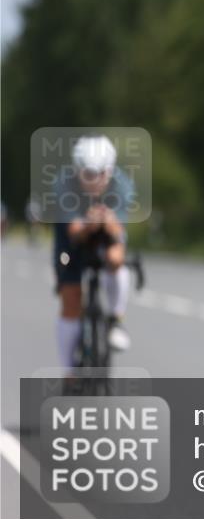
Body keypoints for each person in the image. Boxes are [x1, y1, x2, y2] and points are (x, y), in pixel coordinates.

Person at [53, 135, 135, 370]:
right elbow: (74, 231)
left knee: (116, 258)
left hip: (105, 234)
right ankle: (68, 371)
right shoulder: (63, 184)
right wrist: (89, 223)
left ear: (110, 171)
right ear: (77, 170)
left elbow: (119, 230)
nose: (96, 180)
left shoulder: (121, 184)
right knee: (71, 297)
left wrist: (107, 222)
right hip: (71, 241)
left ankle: (116, 320)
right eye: (88, 174)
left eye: (102, 174)